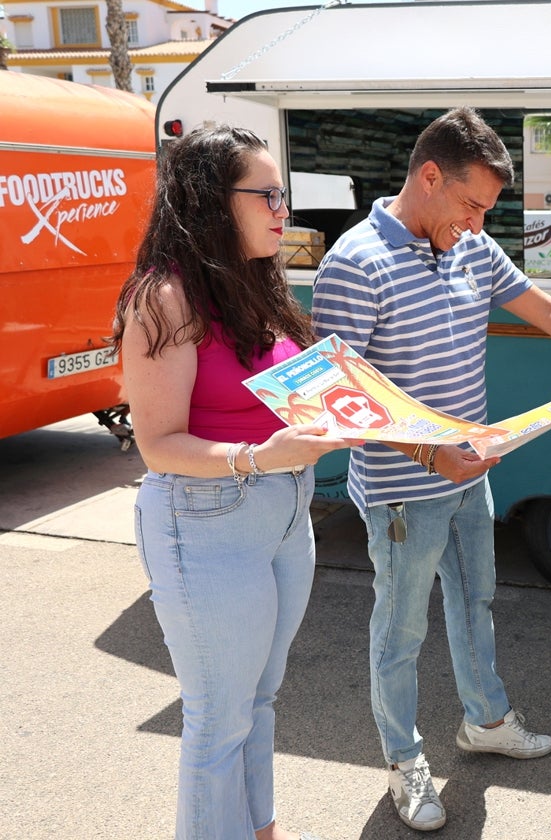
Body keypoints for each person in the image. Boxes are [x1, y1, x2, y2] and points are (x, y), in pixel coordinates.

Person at [309, 107, 551, 832]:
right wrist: (432, 452)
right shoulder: (353, 261)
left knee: (476, 605)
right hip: (405, 491)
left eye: (487, 210)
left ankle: (486, 722)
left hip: (473, 475)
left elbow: (547, 311)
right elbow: (342, 400)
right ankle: (404, 762)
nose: (476, 222)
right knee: (399, 632)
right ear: (429, 176)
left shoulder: (470, 245)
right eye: (470, 204)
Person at [111, 125, 350, 840]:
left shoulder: (254, 282)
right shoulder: (166, 297)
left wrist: (347, 407)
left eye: (285, 195)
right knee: (218, 719)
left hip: (282, 513)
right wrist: (258, 458)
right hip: (205, 520)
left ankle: (259, 829)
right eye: (269, 195)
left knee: (260, 700)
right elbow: (157, 445)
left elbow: (280, 396)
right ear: (216, 200)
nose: (284, 210)